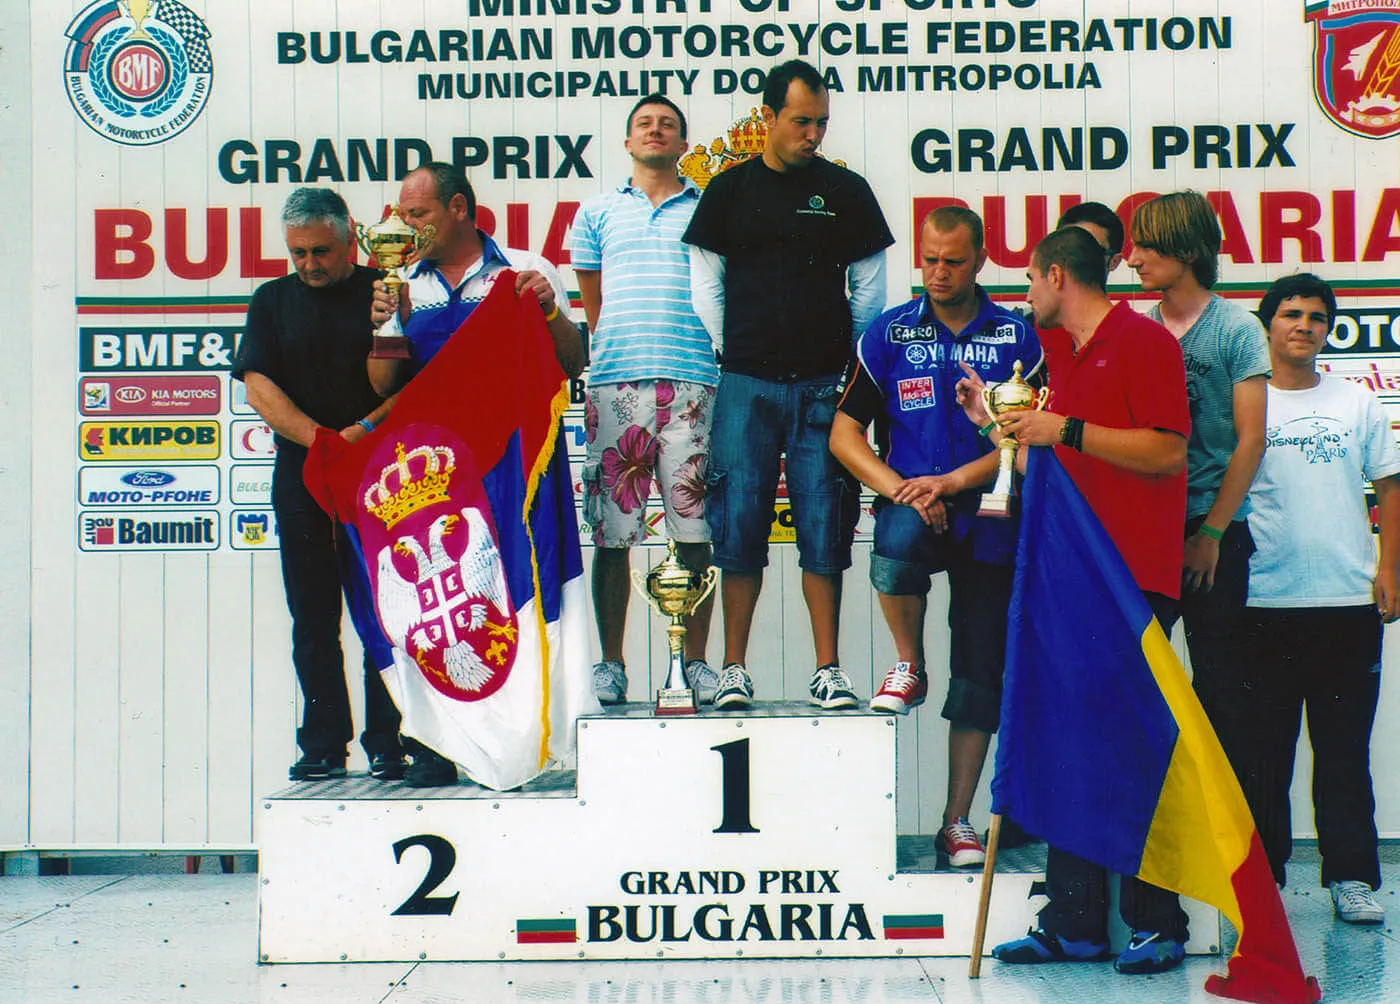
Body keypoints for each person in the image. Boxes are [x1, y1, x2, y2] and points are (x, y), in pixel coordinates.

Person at [965, 226, 1194, 975]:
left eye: (1031, 278)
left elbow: (1166, 450)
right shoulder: (1056, 354)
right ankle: (1073, 923)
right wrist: (995, 426)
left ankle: (1158, 922)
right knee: (1069, 739)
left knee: (1132, 742)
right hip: (1067, 573)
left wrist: (1062, 427)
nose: (1026, 293)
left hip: (1131, 576)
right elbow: (1053, 457)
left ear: (1058, 275)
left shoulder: (1144, 342)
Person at [829, 206, 1041, 868]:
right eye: (929, 260)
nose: (939, 272)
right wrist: (905, 490)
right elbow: (843, 435)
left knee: (979, 672)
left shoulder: (1016, 336)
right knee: (892, 548)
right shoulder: (890, 332)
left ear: (981, 260)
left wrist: (950, 483)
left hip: (993, 511)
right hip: (914, 504)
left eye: (953, 261)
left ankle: (957, 822)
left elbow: (1024, 441)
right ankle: (909, 664)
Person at [682, 58, 894, 710]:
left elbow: (868, 292)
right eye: (801, 121)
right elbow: (706, 285)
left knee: (825, 526)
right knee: (738, 526)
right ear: (768, 116)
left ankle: (828, 669)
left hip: (824, 386)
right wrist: (737, 351)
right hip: (745, 384)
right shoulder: (728, 190)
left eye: (821, 123)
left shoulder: (847, 190)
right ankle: (734, 670)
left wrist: (845, 364)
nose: (813, 134)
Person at [368, 162, 585, 784]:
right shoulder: (400, 282)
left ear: (458, 208)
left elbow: (573, 363)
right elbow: (383, 386)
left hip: (513, 465)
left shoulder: (524, 268)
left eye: (418, 214)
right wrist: (384, 324)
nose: (406, 226)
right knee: (436, 606)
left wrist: (549, 311)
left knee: (513, 595)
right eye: (402, 214)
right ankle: (438, 746)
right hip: (435, 478)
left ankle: (533, 733)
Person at [1234, 274, 1399, 923]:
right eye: (1290, 314)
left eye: (1316, 317)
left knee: (1343, 751)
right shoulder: (1244, 402)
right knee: (1263, 754)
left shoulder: (1355, 401)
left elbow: (1389, 485)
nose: (1304, 326)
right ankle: (1264, 884)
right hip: (1262, 601)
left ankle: (1351, 878)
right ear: (1266, 325)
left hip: (1346, 603)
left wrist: (1390, 568)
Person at [231, 187, 405, 782]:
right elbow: (258, 384)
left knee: (388, 611)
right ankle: (324, 743)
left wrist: (361, 432)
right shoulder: (272, 300)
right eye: (298, 253)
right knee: (312, 615)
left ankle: (391, 739)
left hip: (382, 472)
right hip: (303, 474)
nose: (309, 264)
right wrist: (322, 441)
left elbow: (410, 382)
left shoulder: (385, 291)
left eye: (321, 252)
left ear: (351, 238)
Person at [570, 94, 718, 706]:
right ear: (628, 142)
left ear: (683, 144)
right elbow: (593, 300)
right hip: (616, 384)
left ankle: (697, 664)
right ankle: (611, 664)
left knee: (695, 531)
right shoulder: (597, 212)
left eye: (668, 125)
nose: (655, 131)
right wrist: (619, 349)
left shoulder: (709, 207)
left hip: (692, 382)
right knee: (613, 535)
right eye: (644, 124)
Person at [1124, 192, 1269, 746]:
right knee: (1137, 682)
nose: (1133, 259)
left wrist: (1211, 534)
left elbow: (1251, 440)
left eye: (1146, 246)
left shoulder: (1236, 327)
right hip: (1148, 529)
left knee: (1223, 689)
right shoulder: (1139, 330)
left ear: (1185, 250)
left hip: (1215, 528)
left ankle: (1226, 806)